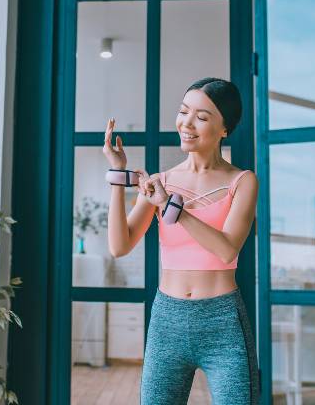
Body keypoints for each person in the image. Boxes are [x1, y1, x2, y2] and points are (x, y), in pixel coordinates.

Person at [102, 77, 260, 404]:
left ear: (225, 129)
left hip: (223, 322)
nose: (187, 123)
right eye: (184, 112)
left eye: (202, 117)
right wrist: (119, 175)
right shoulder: (162, 181)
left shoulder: (242, 182)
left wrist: (172, 207)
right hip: (167, 320)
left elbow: (227, 248)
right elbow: (119, 246)